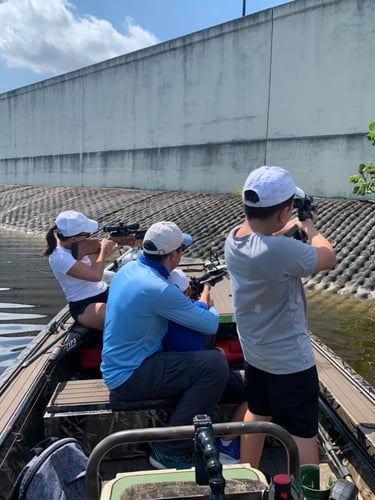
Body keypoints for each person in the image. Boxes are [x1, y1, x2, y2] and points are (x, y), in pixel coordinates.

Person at [225, 166, 336, 467]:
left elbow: (265, 235)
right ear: (283, 212)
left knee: (258, 413)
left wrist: (289, 228)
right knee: (303, 433)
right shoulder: (281, 251)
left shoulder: (233, 238)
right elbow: (327, 257)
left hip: (256, 350)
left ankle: (250, 478)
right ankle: (307, 490)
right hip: (289, 359)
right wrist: (310, 228)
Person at [101, 221, 229, 470]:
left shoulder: (129, 270)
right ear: (173, 256)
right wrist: (206, 301)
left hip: (123, 365)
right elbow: (210, 326)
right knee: (214, 364)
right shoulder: (158, 288)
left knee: (221, 374)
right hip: (129, 376)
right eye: (181, 250)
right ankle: (169, 450)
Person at [163, 268, 247, 465]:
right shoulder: (196, 313)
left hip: (174, 372)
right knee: (256, 393)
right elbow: (211, 316)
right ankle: (227, 443)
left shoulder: (161, 307)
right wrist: (207, 288)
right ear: (187, 293)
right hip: (198, 374)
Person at [43, 210, 118, 330]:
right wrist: (103, 252)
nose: (89, 237)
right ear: (74, 239)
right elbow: (96, 276)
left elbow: (95, 264)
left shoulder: (77, 246)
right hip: (84, 304)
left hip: (103, 291)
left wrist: (108, 250)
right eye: (86, 235)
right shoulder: (59, 257)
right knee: (120, 318)